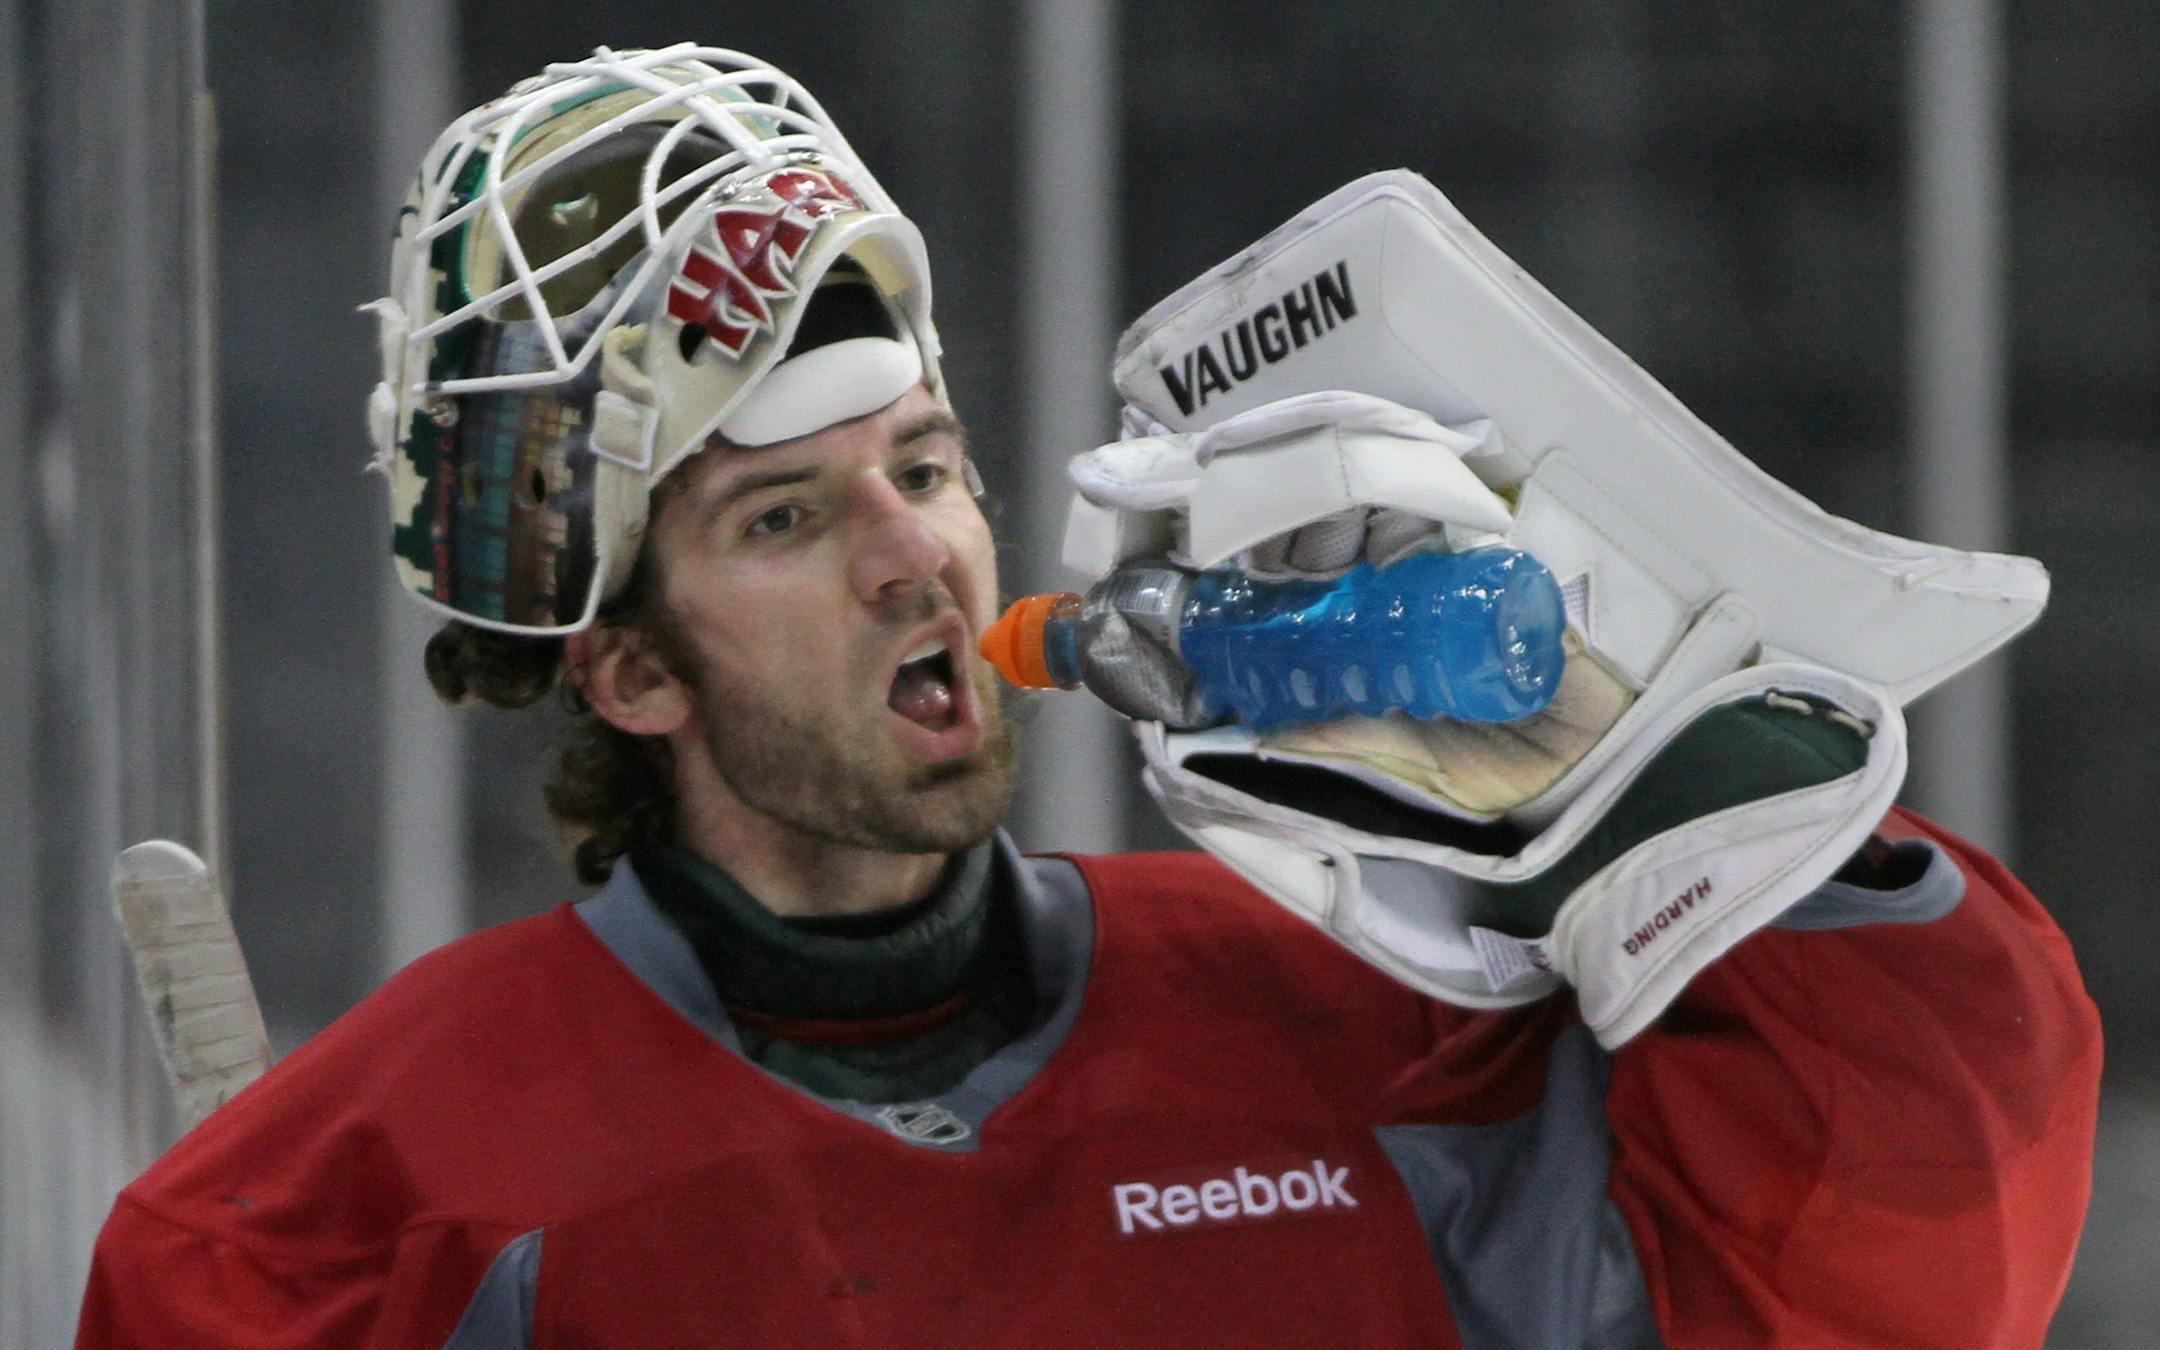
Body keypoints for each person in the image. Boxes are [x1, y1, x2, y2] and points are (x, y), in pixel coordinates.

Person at [78, 44, 2099, 1348]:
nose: (918, 555)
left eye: (932, 466)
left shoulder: (1391, 1034)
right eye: (788, 519)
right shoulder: (346, 1226)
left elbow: (1901, 1281)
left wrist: (1651, 777)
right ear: (619, 664)